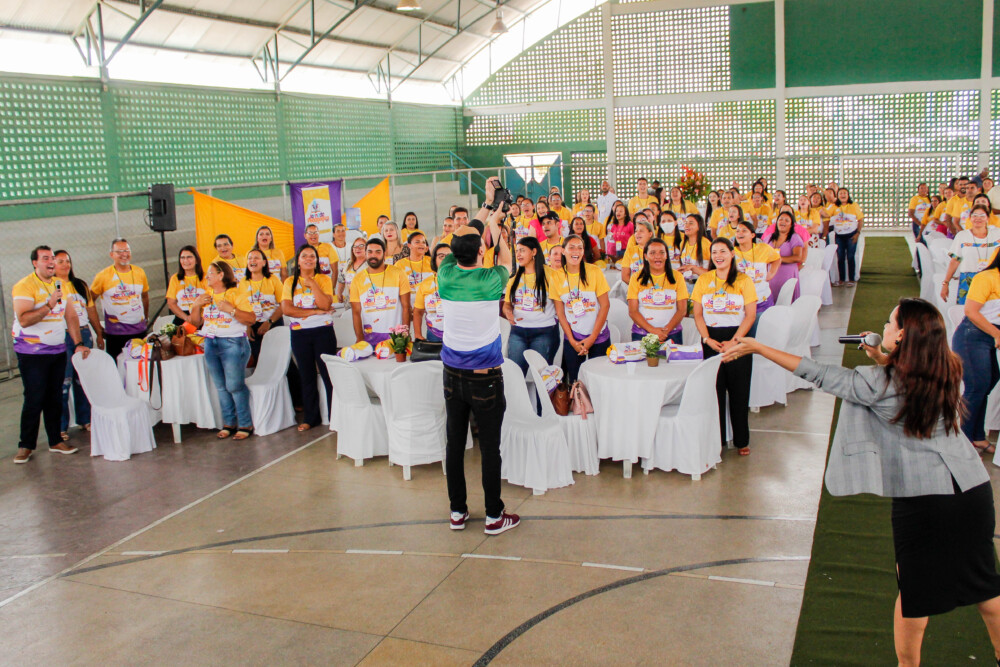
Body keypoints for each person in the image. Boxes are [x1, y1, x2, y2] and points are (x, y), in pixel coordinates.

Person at [727, 298, 1000, 667]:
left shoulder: (877, 383)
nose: (884, 327)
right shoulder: (947, 369)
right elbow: (905, 382)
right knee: (985, 584)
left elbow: (818, 373)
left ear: (902, 336)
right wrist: (882, 356)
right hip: (973, 490)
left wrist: (759, 347)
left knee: (915, 592)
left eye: (889, 323)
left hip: (925, 500)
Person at [437, 179, 519, 535]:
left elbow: (465, 234)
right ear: (481, 252)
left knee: (455, 445)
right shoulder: (490, 279)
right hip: (485, 377)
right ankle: (493, 515)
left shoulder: (444, 275)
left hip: (451, 375)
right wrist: (498, 223)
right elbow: (507, 260)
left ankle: (457, 511)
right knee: (489, 448)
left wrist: (487, 208)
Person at [12, 246, 90, 463]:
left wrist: (78, 343)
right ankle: (26, 445)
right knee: (34, 397)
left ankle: (55, 441)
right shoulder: (24, 286)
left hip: (57, 350)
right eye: (45, 258)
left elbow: (71, 316)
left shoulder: (60, 285)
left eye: (52, 258)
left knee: (54, 397)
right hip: (32, 353)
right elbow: (24, 319)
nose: (51, 262)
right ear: (34, 263)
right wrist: (49, 304)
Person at [692, 238, 757, 456]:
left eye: (722, 251)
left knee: (739, 392)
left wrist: (735, 341)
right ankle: (716, 440)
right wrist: (706, 339)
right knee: (714, 393)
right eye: (714, 252)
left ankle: (742, 440)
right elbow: (698, 314)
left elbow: (750, 315)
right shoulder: (704, 280)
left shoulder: (743, 280)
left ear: (732, 253)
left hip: (738, 340)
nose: (718, 256)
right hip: (712, 341)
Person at [189, 261, 256, 440]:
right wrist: (196, 305)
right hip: (211, 343)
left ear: (221, 275)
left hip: (232, 343)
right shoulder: (207, 295)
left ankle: (245, 423)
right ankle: (229, 422)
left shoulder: (236, 294)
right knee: (220, 386)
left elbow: (251, 319)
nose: (207, 276)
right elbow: (195, 322)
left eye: (211, 273)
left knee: (234, 385)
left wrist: (231, 310)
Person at [282, 245, 336, 432]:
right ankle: (311, 418)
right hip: (300, 334)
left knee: (329, 376)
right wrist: (315, 311)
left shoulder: (323, 279)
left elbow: (325, 304)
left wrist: (312, 284)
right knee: (307, 376)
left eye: (312, 256)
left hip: (323, 332)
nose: (308, 259)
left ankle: (335, 417)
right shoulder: (290, 282)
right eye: (304, 256)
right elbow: (287, 309)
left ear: (317, 260)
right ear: (298, 261)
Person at [54, 249, 100, 441]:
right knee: (64, 382)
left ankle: (85, 418)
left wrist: (99, 333)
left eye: (67, 261)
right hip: (63, 336)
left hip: (84, 333)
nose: (65, 265)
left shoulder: (80, 285)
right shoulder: (53, 286)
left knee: (82, 380)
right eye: (60, 261)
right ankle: (60, 427)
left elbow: (91, 309)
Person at [552, 236, 611, 382]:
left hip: (599, 337)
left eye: (580, 248)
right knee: (576, 381)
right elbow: (560, 313)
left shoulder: (594, 271)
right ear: (563, 251)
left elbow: (605, 305)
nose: (576, 251)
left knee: (599, 381)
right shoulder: (556, 277)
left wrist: (592, 337)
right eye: (571, 247)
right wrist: (572, 341)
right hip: (573, 339)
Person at [504, 236, 560, 375]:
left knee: (542, 378)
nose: (518, 254)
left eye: (522, 250)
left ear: (534, 252)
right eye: (517, 251)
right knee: (515, 375)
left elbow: (560, 307)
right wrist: (508, 312)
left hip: (544, 332)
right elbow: (507, 304)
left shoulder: (551, 275)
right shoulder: (514, 277)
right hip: (518, 332)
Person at [91, 238, 149, 361]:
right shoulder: (102, 276)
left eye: (127, 250)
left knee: (141, 366)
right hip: (115, 334)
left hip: (139, 332)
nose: (124, 254)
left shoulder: (140, 272)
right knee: (118, 367)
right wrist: (98, 329)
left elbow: (145, 296)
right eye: (119, 251)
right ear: (111, 254)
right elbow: (89, 302)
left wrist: (146, 318)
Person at [349, 237, 411, 346]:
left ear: (384, 254)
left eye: (378, 252)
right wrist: (359, 339)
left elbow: (406, 307)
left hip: (395, 338)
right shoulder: (357, 279)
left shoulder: (398, 273)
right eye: (370, 252)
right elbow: (356, 312)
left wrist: (404, 334)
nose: (373, 255)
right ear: (365, 254)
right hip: (370, 338)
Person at [627, 237, 688, 344]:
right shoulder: (636, 277)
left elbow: (682, 310)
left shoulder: (677, 277)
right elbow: (633, 311)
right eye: (652, 253)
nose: (658, 256)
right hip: (642, 334)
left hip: (672, 334)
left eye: (662, 252)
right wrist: (653, 330)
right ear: (645, 256)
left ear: (666, 255)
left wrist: (665, 331)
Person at [941, 206, 1000, 306]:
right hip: (968, 280)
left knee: (992, 312)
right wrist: (945, 283)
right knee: (968, 311)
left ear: (988, 218)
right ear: (970, 218)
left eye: (982, 215)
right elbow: (955, 261)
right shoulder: (962, 236)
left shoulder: (997, 234)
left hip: (992, 280)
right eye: (975, 215)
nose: (978, 218)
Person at [733, 220, 780, 329]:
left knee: (762, 332)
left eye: (744, 230)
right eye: (737, 231)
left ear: (753, 235)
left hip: (762, 300)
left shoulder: (763, 248)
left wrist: (771, 273)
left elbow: (777, 258)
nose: (740, 233)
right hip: (741, 304)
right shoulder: (731, 253)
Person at [243, 248, 286, 364]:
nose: (252, 260)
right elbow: (241, 308)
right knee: (261, 362)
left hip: (273, 323)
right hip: (253, 327)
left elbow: (284, 304)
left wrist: (269, 322)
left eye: (256, 258)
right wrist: (247, 326)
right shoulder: (243, 282)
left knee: (280, 360)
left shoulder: (273, 279)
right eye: (250, 258)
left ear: (264, 263)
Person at [414, 243, 451, 342]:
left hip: (458, 335)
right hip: (434, 335)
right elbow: (418, 312)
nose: (445, 259)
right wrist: (418, 334)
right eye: (441, 256)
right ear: (434, 260)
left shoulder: (462, 281)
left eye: (449, 256)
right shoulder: (425, 284)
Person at [764, 211, 805, 302]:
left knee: (786, 301)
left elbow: (798, 257)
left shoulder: (795, 238)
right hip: (771, 276)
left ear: (791, 225)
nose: (783, 222)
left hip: (788, 276)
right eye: (781, 219)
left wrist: (778, 259)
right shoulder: (769, 237)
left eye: (787, 220)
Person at [166, 246, 207, 326]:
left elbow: (212, 300)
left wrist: (200, 319)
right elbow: (171, 303)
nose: (185, 261)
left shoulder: (206, 277)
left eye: (189, 257)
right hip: (182, 317)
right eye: (182, 258)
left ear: (197, 260)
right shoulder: (175, 278)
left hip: (203, 317)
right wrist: (187, 318)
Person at [831, 187, 864, 287]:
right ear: (837, 196)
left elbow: (860, 219)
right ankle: (841, 279)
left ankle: (851, 279)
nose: (843, 195)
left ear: (848, 195)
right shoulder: (834, 206)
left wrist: (857, 233)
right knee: (840, 257)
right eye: (840, 193)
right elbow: (825, 214)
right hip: (839, 236)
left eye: (844, 193)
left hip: (851, 235)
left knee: (850, 257)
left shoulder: (854, 205)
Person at [677, 214, 712, 289]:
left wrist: (693, 268)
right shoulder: (683, 243)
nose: (686, 226)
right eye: (685, 223)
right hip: (686, 284)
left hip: (702, 285)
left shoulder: (706, 244)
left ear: (699, 226)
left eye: (691, 223)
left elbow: (711, 272)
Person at [621, 218, 654, 285]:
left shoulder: (658, 250)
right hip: (635, 287)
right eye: (636, 231)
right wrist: (636, 287)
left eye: (641, 231)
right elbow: (625, 277)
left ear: (650, 234)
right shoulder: (630, 251)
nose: (637, 234)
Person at [337, 237, 367, 304]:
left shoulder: (371, 264)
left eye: (361, 246)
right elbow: (341, 279)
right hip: (350, 302)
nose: (357, 248)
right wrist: (339, 293)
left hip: (365, 302)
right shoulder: (348, 263)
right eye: (355, 246)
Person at [605, 201, 633, 269]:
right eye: (617, 211)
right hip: (617, 250)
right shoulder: (614, 226)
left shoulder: (630, 225)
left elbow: (634, 238)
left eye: (621, 211)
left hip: (628, 251)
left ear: (625, 214)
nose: (618, 212)